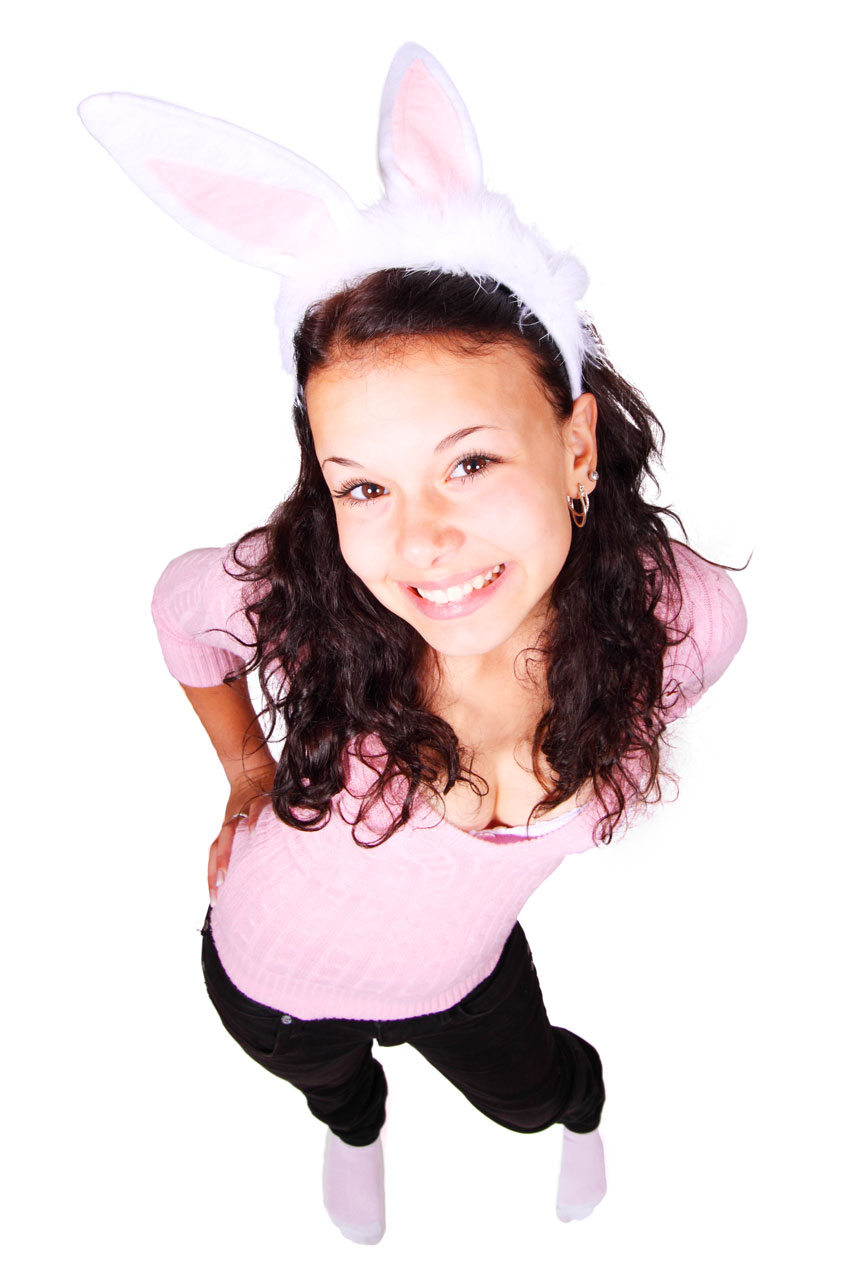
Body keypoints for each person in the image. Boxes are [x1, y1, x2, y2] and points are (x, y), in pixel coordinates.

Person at [80, 45, 747, 1246]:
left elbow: (673, 680)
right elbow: (180, 612)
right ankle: (354, 1126)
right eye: (364, 485)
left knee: (531, 1092)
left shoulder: (677, 618)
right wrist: (243, 769)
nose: (422, 542)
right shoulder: (302, 593)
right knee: (332, 1087)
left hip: (461, 979)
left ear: (576, 445)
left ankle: (577, 1114)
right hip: (265, 975)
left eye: (471, 461)